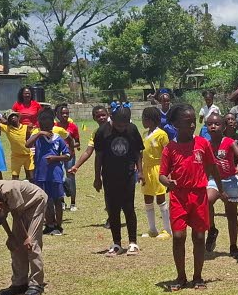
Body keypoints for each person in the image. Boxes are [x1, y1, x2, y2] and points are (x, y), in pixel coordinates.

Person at [159, 104, 222, 291]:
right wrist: (167, 182)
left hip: (199, 195)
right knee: (178, 236)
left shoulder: (202, 143)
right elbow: (162, 174)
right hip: (179, 196)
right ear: (176, 124)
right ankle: (180, 277)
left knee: (199, 236)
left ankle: (198, 277)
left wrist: (221, 189)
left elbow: (212, 167)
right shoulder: (170, 148)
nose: (192, 125)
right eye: (188, 122)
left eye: (194, 121)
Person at [0, 180, 49, 295]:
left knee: (32, 243)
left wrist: (27, 238)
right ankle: (19, 283)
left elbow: (16, 215)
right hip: (20, 208)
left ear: (0, 207)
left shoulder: (10, 191)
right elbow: (2, 217)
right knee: (16, 246)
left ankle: (36, 283)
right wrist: (10, 236)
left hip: (35, 202)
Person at [92, 106, 144, 256]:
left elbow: (137, 152)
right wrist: (97, 178)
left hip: (128, 174)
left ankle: (133, 242)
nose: (122, 128)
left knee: (129, 208)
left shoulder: (132, 129)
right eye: (119, 125)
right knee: (112, 209)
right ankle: (116, 244)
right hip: (109, 175)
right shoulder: (102, 132)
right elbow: (99, 156)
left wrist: (140, 172)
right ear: (112, 120)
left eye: (125, 125)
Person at [204, 113, 238, 261]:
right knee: (207, 200)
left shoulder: (228, 141)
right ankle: (212, 229)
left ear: (223, 127)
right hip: (213, 181)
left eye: (216, 124)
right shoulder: (206, 144)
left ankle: (233, 246)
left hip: (230, 180)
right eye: (210, 124)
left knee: (231, 215)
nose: (213, 126)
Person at [25, 108, 70, 236]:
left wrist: (56, 158)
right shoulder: (37, 138)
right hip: (40, 175)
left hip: (55, 174)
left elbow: (67, 155)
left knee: (57, 200)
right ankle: (49, 224)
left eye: (48, 122)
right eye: (42, 123)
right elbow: (27, 145)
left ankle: (58, 225)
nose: (45, 125)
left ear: (53, 123)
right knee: (45, 200)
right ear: (39, 123)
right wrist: (39, 134)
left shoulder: (58, 139)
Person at [140, 107, 173, 239]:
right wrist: (140, 170)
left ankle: (167, 230)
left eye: (144, 119)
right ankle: (152, 229)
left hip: (158, 169)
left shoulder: (162, 134)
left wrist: (168, 172)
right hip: (146, 169)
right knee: (147, 197)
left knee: (160, 198)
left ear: (151, 120)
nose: (142, 121)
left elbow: (168, 154)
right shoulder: (144, 135)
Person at [55, 104, 81, 211]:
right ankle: (62, 202)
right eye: (63, 113)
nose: (65, 115)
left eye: (67, 113)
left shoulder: (73, 127)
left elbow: (78, 143)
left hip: (70, 156)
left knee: (71, 178)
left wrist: (68, 146)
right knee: (59, 178)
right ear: (58, 115)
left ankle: (73, 203)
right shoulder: (55, 126)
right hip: (58, 156)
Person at [2, 111, 35, 181]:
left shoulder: (26, 127)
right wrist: (4, 121)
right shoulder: (7, 128)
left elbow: (33, 135)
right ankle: (15, 191)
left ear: (18, 118)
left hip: (28, 155)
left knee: (31, 177)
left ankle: (32, 190)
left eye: (14, 116)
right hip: (16, 156)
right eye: (10, 117)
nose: (12, 118)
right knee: (15, 177)